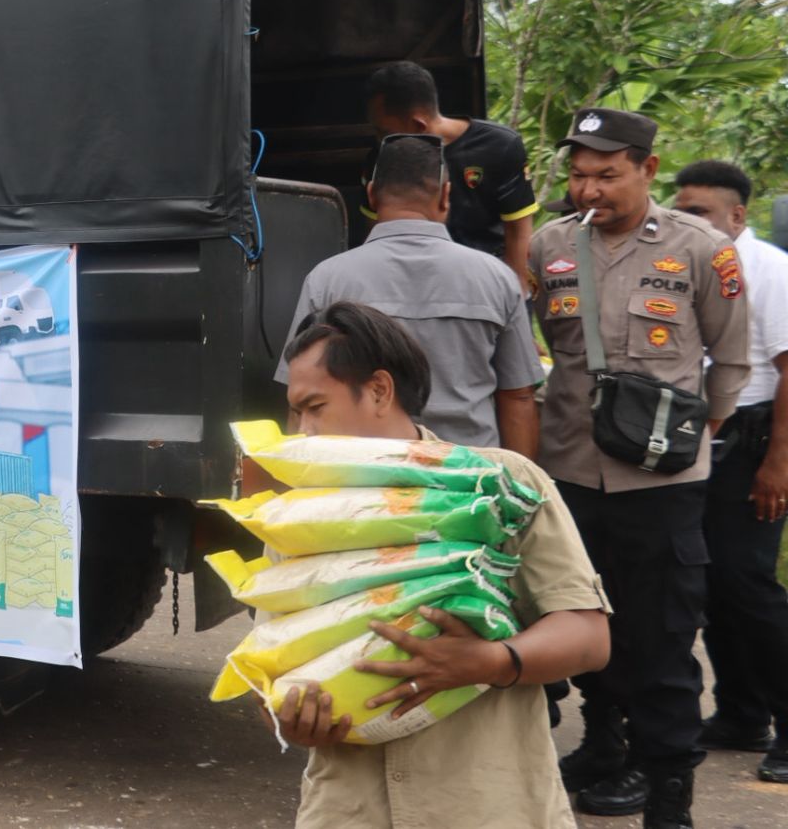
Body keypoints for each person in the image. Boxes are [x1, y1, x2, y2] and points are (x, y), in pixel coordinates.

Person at [272, 301, 610, 829]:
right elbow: (269, 672)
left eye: (315, 406)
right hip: (350, 812)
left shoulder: (498, 485)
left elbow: (588, 636)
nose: (304, 432)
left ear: (380, 390)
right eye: (297, 414)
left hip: (490, 807)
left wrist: (492, 662)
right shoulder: (294, 517)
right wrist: (293, 720)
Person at [530, 108, 751, 827]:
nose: (589, 189)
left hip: (662, 487)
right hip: (569, 474)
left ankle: (669, 795)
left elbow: (732, 360)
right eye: (579, 174)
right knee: (582, 624)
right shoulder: (549, 246)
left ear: (648, 170)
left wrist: (691, 441)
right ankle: (604, 745)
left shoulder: (700, 248)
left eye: (607, 174)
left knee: (660, 641)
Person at [279, 133, 542, 453]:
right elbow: (518, 397)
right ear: (446, 196)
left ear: (372, 196)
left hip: (362, 478)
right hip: (470, 482)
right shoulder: (497, 279)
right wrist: (518, 489)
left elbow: (303, 397)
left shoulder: (327, 280)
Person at [673, 159, 788, 785]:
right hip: (707, 435)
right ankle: (742, 714)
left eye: (699, 211)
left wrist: (778, 463)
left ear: (737, 215)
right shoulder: (701, 262)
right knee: (711, 581)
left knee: (749, 583)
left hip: (757, 438)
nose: (685, 219)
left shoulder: (769, 269)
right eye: (680, 208)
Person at [364, 61, 539, 292]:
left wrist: (516, 292)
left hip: (487, 282)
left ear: (418, 125)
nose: (380, 141)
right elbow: (374, 230)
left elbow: (518, 230)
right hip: (415, 287)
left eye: (384, 132)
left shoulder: (500, 146)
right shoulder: (383, 156)